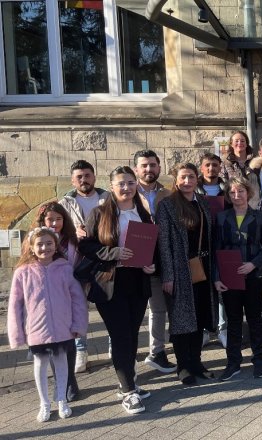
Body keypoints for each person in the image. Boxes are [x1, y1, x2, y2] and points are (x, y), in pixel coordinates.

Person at [78, 166, 156, 413]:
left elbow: (151, 246)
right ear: (111, 186)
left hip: (137, 280)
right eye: (121, 183)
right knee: (121, 336)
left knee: (132, 335)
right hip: (110, 284)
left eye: (131, 183)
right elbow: (87, 246)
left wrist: (151, 265)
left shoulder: (142, 214)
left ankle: (128, 382)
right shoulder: (100, 213)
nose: (126, 188)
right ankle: (129, 392)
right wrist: (113, 253)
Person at [7, 227, 88, 422]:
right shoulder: (22, 272)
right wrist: (17, 333)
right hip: (36, 329)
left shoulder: (65, 268)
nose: (45, 247)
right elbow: (15, 304)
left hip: (62, 327)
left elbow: (77, 299)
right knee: (40, 364)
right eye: (40, 244)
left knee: (62, 363)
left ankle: (61, 399)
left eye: (49, 243)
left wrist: (78, 324)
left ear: (56, 245)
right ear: (31, 248)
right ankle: (44, 402)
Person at [157, 163, 218, 386]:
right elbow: (163, 243)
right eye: (183, 177)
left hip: (202, 267)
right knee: (182, 321)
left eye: (191, 177)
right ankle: (183, 366)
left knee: (200, 316)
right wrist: (168, 276)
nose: (187, 181)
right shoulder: (167, 205)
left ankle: (197, 362)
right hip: (180, 268)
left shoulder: (202, 202)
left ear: (197, 179)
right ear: (176, 180)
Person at [213, 177, 262, 381]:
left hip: (253, 275)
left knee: (255, 318)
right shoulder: (221, 218)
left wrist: (254, 264)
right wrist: (216, 278)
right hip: (229, 277)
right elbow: (216, 250)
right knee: (233, 321)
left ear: (248, 193)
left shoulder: (261, 217)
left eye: (240, 191)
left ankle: (259, 359)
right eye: (232, 192)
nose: (236, 196)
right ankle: (233, 362)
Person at [59, 159, 108, 373]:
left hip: (102, 259)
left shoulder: (107, 198)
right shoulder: (65, 203)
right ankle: (81, 351)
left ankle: (114, 346)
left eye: (87, 175)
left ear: (94, 177)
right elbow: (57, 231)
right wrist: (73, 233)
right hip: (77, 262)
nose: (84, 180)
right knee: (78, 308)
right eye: (79, 176)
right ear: (72, 180)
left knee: (109, 304)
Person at [132, 149, 177, 375]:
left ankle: (157, 351)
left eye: (153, 165)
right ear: (136, 169)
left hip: (160, 260)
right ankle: (124, 355)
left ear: (159, 167)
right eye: (144, 165)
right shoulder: (126, 192)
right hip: (131, 263)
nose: (149, 169)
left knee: (158, 310)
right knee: (131, 311)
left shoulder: (168, 195)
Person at [35, 202, 82, 401]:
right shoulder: (36, 242)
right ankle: (59, 382)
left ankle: (70, 379)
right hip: (46, 299)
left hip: (69, 297)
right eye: (50, 219)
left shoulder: (71, 240)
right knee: (53, 342)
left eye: (59, 219)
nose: (54, 223)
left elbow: (78, 265)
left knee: (69, 340)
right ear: (43, 221)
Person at [196, 152, 230, 348]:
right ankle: (204, 329)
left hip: (223, 243)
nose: (211, 169)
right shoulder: (195, 189)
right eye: (207, 165)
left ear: (220, 167)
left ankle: (222, 328)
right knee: (202, 289)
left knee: (221, 289)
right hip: (200, 245)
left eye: (215, 165)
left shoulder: (227, 190)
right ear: (201, 168)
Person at [220, 130, 262, 208]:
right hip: (233, 205)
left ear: (246, 144)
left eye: (242, 141)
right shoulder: (225, 163)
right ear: (231, 144)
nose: (240, 143)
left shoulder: (257, 161)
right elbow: (223, 184)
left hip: (254, 205)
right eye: (237, 141)